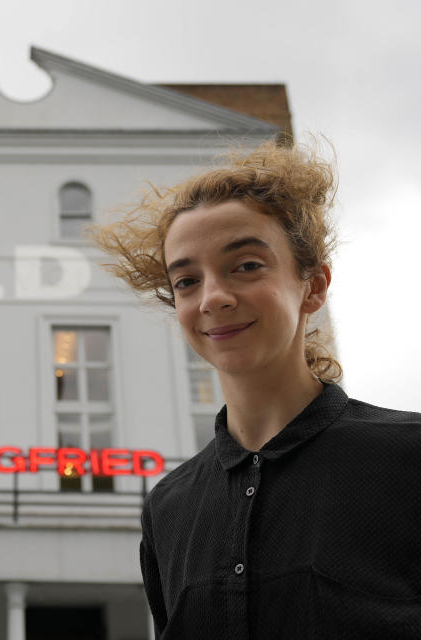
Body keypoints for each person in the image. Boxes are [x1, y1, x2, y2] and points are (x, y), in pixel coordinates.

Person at [93, 141, 421, 638]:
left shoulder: (406, 457)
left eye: (246, 265)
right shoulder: (168, 508)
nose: (214, 298)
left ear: (313, 286)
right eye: (186, 281)